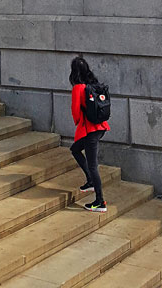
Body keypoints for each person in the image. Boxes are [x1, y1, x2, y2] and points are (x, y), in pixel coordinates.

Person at [69, 55, 110, 212]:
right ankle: (90, 181)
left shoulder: (78, 88)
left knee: (93, 166)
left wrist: (79, 121)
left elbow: (76, 112)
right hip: (100, 127)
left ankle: (100, 201)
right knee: (75, 149)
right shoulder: (94, 84)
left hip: (89, 130)